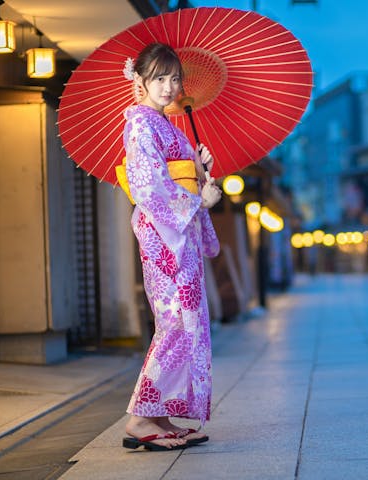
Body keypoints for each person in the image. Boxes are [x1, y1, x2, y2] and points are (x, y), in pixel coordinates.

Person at [120, 42, 222, 451]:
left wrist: (199, 169)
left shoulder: (165, 124)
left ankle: (159, 414)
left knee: (181, 321)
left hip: (179, 234)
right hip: (165, 235)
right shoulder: (141, 124)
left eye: (174, 78)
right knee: (175, 322)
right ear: (140, 81)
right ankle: (141, 419)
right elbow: (148, 187)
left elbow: (177, 175)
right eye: (159, 78)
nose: (169, 87)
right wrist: (199, 198)